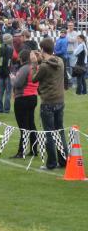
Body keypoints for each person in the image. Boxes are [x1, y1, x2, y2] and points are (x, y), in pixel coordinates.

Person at [31, 38, 67, 170]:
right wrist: (42, 59)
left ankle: (51, 163)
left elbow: (35, 78)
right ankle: (63, 160)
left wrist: (35, 63)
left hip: (48, 102)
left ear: (42, 49)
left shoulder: (45, 66)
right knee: (60, 132)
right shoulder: (60, 61)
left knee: (49, 133)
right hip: (60, 100)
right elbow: (49, 64)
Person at [10, 49, 39, 158]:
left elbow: (18, 83)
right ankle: (34, 150)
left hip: (22, 98)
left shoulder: (24, 68)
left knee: (23, 126)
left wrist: (13, 78)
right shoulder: (35, 67)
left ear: (21, 58)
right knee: (31, 124)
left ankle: (21, 151)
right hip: (33, 97)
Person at [0, 33, 14, 114]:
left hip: (0, 72)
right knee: (8, 92)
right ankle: (6, 109)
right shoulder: (10, 48)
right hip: (7, 72)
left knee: (0, 91)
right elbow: (9, 61)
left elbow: (0, 61)